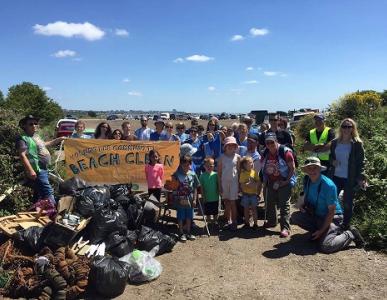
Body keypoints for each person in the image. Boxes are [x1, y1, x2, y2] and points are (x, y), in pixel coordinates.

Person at [291, 157, 365, 253]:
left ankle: (350, 233)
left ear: (320, 169)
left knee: (326, 246)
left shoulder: (328, 185)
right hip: (317, 215)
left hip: (333, 217)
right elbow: (305, 196)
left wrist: (321, 230)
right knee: (295, 217)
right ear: (306, 170)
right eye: (309, 168)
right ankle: (322, 233)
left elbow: (331, 211)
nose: (312, 171)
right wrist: (301, 205)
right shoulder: (307, 180)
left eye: (315, 168)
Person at [16, 115, 65, 204]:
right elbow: (22, 155)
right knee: (48, 191)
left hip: (44, 168)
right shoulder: (22, 138)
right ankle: (54, 212)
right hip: (37, 169)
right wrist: (30, 170)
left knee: (39, 193)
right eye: (31, 124)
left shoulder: (36, 136)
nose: (34, 125)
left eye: (35, 123)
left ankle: (37, 212)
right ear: (24, 126)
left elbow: (45, 144)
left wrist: (59, 139)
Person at [329, 118, 367, 229]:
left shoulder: (357, 144)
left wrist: (361, 177)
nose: (346, 129)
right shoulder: (335, 142)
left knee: (348, 203)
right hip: (335, 176)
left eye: (349, 127)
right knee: (331, 200)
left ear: (353, 128)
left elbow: (361, 162)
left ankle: (345, 225)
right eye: (344, 126)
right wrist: (332, 161)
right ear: (341, 128)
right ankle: (329, 222)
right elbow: (331, 157)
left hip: (349, 177)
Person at [261, 132, 296, 238]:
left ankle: (285, 228)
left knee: (284, 204)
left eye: (272, 142)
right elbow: (262, 165)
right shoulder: (266, 152)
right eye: (267, 143)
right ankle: (272, 222)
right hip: (271, 181)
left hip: (284, 181)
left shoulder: (285, 152)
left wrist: (286, 181)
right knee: (269, 202)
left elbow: (292, 168)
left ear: (276, 141)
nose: (270, 144)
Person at [172, 155, 200, 242]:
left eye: (188, 165)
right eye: (184, 165)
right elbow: (173, 188)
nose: (186, 167)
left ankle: (188, 232)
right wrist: (177, 198)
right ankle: (181, 232)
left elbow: (195, 187)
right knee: (180, 216)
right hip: (180, 199)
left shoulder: (193, 174)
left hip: (190, 199)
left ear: (190, 165)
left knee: (189, 216)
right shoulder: (176, 174)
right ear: (180, 164)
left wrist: (195, 199)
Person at [217, 136, 240, 231]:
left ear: (235, 147)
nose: (231, 147)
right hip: (224, 182)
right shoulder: (221, 158)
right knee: (226, 202)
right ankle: (228, 220)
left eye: (233, 145)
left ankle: (234, 221)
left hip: (234, 182)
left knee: (233, 202)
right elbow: (219, 174)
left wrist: (239, 184)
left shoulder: (238, 157)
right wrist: (220, 186)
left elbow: (239, 171)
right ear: (225, 147)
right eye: (229, 145)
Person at [239, 156, 260, 229]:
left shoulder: (254, 173)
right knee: (246, 209)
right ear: (244, 165)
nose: (252, 164)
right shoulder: (242, 174)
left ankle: (256, 224)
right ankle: (247, 223)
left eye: (252, 162)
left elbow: (258, 183)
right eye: (250, 163)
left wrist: (253, 184)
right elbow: (241, 184)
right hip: (245, 195)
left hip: (253, 194)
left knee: (254, 209)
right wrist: (246, 185)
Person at [199, 157, 220, 224]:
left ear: (213, 166)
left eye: (211, 165)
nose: (209, 167)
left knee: (215, 211)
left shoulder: (216, 175)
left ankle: (215, 221)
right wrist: (203, 195)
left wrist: (219, 192)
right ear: (204, 166)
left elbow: (218, 184)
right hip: (207, 197)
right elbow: (201, 187)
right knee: (207, 211)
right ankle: (209, 222)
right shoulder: (202, 176)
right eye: (207, 166)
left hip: (215, 197)